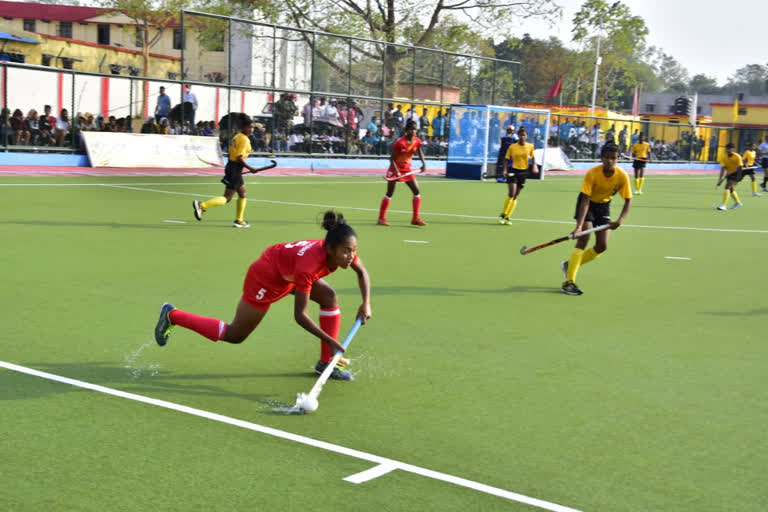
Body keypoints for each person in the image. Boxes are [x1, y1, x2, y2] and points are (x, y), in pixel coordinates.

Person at [154, 210, 372, 381]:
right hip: (266, 277)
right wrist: (332, 341)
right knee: (235, 335)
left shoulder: (342, 252)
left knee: (329, 297)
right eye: (346, 251)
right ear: (330, 249)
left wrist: (366, 303)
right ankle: (172, 315)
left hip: (288, 274)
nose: (351, 256)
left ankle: (326, 363)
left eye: (353, 250)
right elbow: (300, 316)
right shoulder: (309, 267)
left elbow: (362, 272)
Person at [560, 143, 632, 296]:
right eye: (607, 158)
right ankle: (569, 282)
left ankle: (570, 264)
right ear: (601, 158)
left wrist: (620, 220)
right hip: (587, 203)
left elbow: (628, 200)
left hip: (603, 206)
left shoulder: (622, 176)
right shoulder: (592, 173)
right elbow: (585, 200)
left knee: (602, 245)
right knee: (584, 237)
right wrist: (579, 227)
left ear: (618, 159)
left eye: (613, 158)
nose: (610, 161)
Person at [193, 113, 262, 228]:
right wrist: (251, 168)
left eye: (252, 127)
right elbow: (240, 158)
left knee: (242, 193)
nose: (251, 129)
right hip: (235, 168)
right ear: (243, 127)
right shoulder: (244, 139)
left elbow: (232, 154)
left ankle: (239, 220)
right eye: (249, 127)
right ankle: (202, 206)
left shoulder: (237, 136)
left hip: (232, 167)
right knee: (227, 198)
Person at [377, 119, 427, 226]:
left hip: (407, 169)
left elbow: (419, 151)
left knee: (416, 191)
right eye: (412, 129)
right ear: (407, 130)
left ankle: (415, 218)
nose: (414, 131)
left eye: (415, 129)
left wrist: (423, 163)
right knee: (390, 193)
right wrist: (397, 172)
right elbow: (392, 159)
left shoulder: (417, 141)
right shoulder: (400, 143)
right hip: (394, 168)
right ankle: (381, 218)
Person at [498, 126, 536, 224]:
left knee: (516, 196)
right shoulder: (512, 147)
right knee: (511, 193)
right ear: (518, 136)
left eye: (524, 135)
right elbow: (506, 159)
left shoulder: (530, 146)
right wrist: (504, 170)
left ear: (526, 136)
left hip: (523, 172)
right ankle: (503, 214)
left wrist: (534, 166)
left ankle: (507, 217)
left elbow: (533, 157)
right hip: (513, 171)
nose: (522, 137)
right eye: (520, 135)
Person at [716, 142, 744, 211]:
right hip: (729, 174)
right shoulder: (724, 157)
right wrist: (719, 180)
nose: (728, 150)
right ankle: (738, 203)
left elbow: (739, 168)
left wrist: (732, 173)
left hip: (738, 174)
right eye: (727, 149)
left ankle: (723, 205)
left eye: (730, 149)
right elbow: (722, 169)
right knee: (731, 189)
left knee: (727, 186)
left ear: (733, 149)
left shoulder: (737, 156)